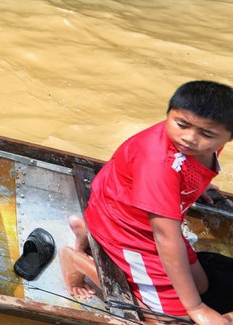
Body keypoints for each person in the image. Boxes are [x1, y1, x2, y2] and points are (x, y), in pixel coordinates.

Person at [61, 81, 233, 324]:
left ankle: (88, 231)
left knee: (201, 285)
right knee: (168, 319)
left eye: (206, 134)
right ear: (169, 114)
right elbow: (166, 237)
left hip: (130, 210)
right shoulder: (159, 164)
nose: (189, 138)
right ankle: (77, 261)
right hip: (130, 231)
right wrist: (195, 308)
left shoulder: (196, 144)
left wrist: (196, 184)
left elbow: (192, 163)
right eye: (181, 124)